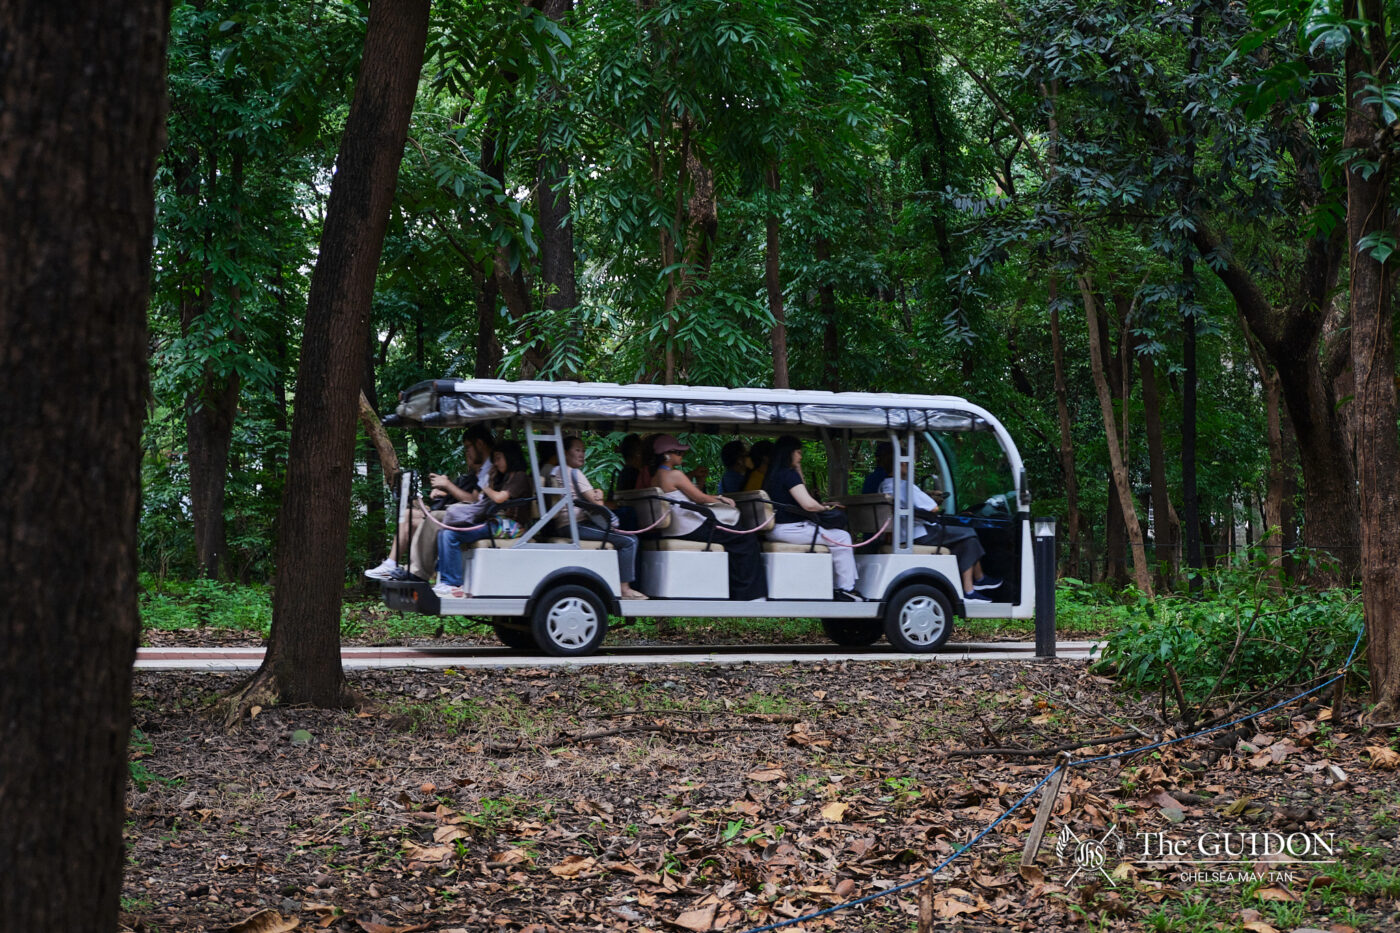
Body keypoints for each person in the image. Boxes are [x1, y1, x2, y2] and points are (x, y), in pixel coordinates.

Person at [653, 434, 768, 600]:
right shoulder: (675, 475)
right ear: (666, 455)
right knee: (745, 538)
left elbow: (690, 496)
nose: (682, 455)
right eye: (678, 452)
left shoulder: (656, 477)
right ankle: (749, 595)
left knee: (734, 536)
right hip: (691, 527)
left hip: (676, 528)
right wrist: (721, 499)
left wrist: (699, 480)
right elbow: (699, 498)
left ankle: (736, 590)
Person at [365, 428, 490, 581]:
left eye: (468, 447)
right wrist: (445, 492)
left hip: (472, 519)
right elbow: (468, 497)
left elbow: (474, 501)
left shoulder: (489, 469)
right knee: (409, 514)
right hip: (458, 514)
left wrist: (448, 485)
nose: (466, 453)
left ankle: (417, 570)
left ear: (480, 444)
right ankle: (392, 563)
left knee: (433, 517)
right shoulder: (477, 471)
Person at [880, 463, 1002, 602]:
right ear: (900, 464)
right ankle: (978, 580)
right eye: (908, 463)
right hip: (919, 534)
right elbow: (934, 508)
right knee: (968, 530)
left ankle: (970, 589)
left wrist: (925, 495)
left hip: (902, 535)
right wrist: (933, 498)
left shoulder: (884, 485)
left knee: (968, 541)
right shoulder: (904, 486)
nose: (910, 465)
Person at [548, 436, 648, 600]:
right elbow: (598, 505)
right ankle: (625, 589)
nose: (582, 454)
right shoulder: (574, 473)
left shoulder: (556, 471)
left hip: (564, 525)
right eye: (577, 450)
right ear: (565, 453)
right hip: (575, 525)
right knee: (630, 541)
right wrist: (599, 493)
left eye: (583, 450)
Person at [763, 435, 862, 600]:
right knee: (842, 537)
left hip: (776, 530)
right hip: (791, 529)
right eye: (798, 453)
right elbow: (808, 504)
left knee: (835, 537)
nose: (800, 457)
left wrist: (798, 469)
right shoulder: (788, 475)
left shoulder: (772, 476)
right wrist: (826, 508)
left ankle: (837, 586)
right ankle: (846, 588)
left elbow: (801, 494)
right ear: (789, 452)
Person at [433, 439, 533, 598]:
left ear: (510, 456)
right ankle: (445, 580)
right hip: (497, 523)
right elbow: (485, 498)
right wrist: (491, 479)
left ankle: (453, 583)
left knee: (451, 535)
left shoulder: (519, 477)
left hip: (511, 526)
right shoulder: (505, 477)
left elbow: (499, 498)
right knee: (444, 533)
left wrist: (485, 486)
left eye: (499, 458)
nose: (496, 463)